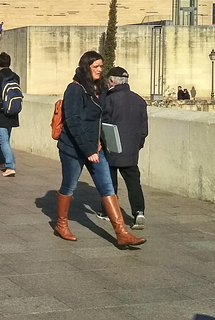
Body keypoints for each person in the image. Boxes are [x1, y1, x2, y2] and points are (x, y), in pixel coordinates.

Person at [54, 51, 146, 248]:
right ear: (86, 67)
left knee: (107, 187)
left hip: (96, 148)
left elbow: (102, 119)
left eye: (101, 67)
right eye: (96, 66)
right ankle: (61, 225)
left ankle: (121, 233)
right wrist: (89, 150)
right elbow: (73, 121)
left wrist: (102, 143)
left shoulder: (100, 89)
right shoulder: (74, 89)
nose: (100, 70)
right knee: (69, 186)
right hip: (73, 149)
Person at [102, 67, 149, 230]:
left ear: (113, 81)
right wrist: (137, 145)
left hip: (113, 148)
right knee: (134, 182)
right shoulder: (139, 100)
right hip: (131, 150)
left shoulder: (109, 99)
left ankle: (108, 212)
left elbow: (104, 123)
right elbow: (144, 129)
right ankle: (139, 212)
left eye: (108, 81)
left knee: (110, 182)